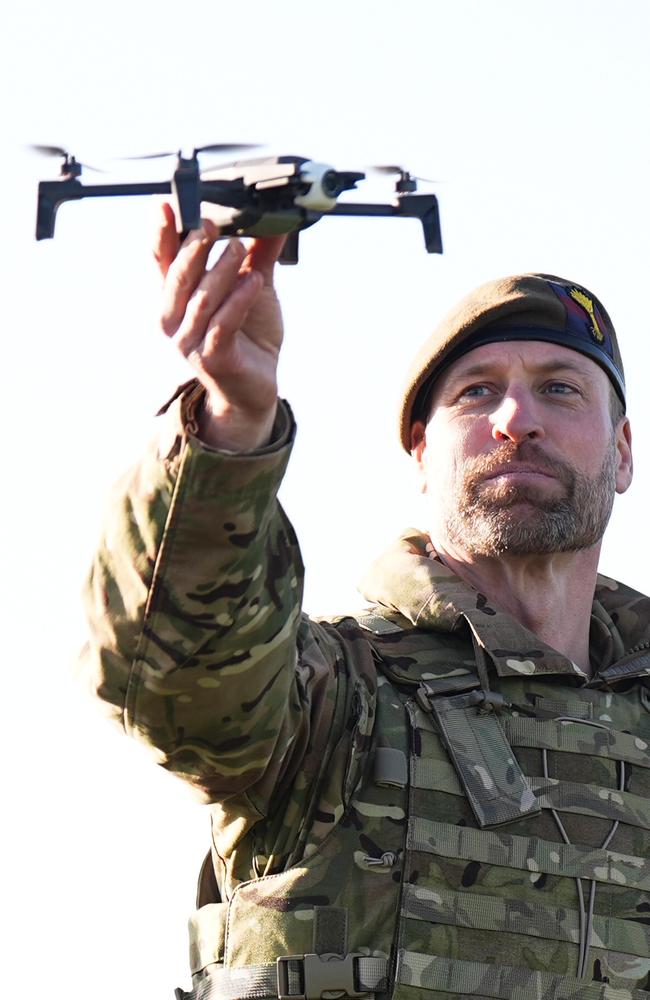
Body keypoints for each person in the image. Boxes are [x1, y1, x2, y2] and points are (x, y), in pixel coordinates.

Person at [81, 204, 650, 1000]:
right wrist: (232, 425)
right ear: (422, 455)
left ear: (621, 452)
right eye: (477, 394)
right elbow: (176, 678)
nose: (517, 421)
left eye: (559, 390)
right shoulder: (332, 696)